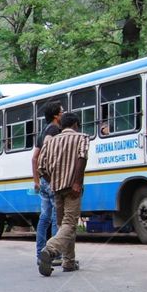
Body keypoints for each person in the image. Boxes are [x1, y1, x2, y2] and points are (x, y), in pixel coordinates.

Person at [37, 112, 89, 276]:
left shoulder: (51, 142)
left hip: (56, 188)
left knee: (63, 225)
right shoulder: (82, 137)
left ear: (61, 126)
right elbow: (82, 157)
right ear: (75, 125)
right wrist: (77, 182)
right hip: (72, 188)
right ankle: (50, 249)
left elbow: (40, 168)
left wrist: (52, 181)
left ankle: (69, 262)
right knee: (69, 224)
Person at [32, 100, 63, 265]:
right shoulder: (53, 130)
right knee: (56, 217)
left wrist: (37, 180)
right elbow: (47, 151)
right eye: (62, 111)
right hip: (51, 179)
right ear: (56, 115)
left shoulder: (42, 131)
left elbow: (34, 158)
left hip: (43, 180)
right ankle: (55, 254)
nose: (64, 113)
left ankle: (40, 254)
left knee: (44, 218)